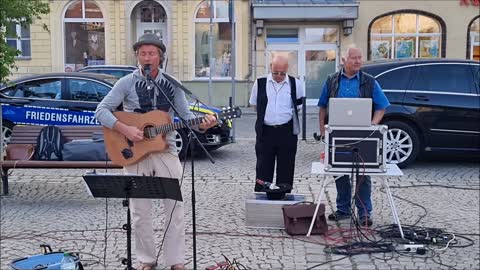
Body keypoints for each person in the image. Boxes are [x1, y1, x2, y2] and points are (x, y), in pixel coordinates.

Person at [95, 33, 216, 270]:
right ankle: (146, 259)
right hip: (133, 152)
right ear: (137, 56)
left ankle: (175, 260)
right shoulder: (126, 83)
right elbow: (101, 111)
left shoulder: (172, 84)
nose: (147, 57)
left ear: (160, 57)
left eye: (152, 53)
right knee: (139, 210)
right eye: (143, 53)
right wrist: (125, 129)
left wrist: (203, 124)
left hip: (165, 150)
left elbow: (186, 116)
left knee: (175, 207)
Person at [317, 47, 390, 227]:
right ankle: (343, 210)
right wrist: (322, 133)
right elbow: (322, 108)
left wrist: (373, 124)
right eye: (354, 58)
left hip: (363, 136)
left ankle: (364, 213)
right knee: (340, 173)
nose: (358, 61)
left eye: (360, 58)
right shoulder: (331, 80)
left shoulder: (370, 82)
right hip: (338, 136)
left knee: (363, 175)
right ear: (344, 60)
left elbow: (382, 107)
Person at [249, 55, 305, 192]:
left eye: (282, 73)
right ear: (270, 68)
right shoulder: (260, 82)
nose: (279, 76)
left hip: (286, 131)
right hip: (265, 132)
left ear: (287, 70)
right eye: (275, 72)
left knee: (286, 166)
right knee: (263, 166)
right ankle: (262, 196)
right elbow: (254, 105)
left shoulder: (295, 83)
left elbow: (298, 106)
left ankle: (283, 195)